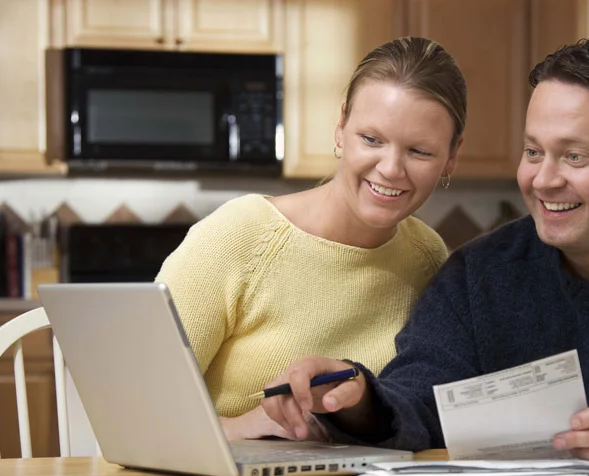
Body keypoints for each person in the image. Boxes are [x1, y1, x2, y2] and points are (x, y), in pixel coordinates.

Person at [259, 35, 589, 473]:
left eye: (575, 156)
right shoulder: (477, 273)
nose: (543, 179)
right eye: (533, 151)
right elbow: (422, 395)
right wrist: (358, 401)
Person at [156, 36, 466, 441]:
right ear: (341, 129)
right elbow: (133, 410)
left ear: (452, 156)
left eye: (419, 151)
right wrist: (243, 428)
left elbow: (425, 408)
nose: (390, 168)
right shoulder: (240, 237)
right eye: (371, 139)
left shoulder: (429, 258)